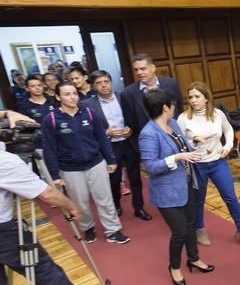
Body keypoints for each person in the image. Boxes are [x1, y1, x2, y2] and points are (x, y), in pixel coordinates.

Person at [0, 142, 102, 285]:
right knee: (42, 269)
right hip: (3, 233)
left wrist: (7, 113)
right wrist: (71, 206)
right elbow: (46, 194)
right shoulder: (5, 161)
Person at [138, 89, 214, 285]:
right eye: (171, 105)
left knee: (191, 225)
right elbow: (151, 166)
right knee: (179, 231)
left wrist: (194, 142)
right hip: (166, 192)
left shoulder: (172, 124)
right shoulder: (148, 134)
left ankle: (194, 258)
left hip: (186, 182)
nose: (174, 108)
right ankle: (174, 267)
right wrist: (177, 158)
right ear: (165, 107)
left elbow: (183, 146)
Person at [42, 82, 130, 245]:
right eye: (67, 94)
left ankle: (113, 230)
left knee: (105, 198)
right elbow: (49, 149)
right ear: (57, 97)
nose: (72, 97)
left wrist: (110, 159)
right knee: (80, 201)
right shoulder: (51, 119)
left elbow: (102, 138)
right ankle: (88, 228)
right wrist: (54, 174)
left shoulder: (88, 113)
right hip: (70, 169)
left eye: (74, 93)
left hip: (96, 163)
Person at [177, 82, 240, 248]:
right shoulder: (183, 118)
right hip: (197, 164)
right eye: (190, 97)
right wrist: (194, 140)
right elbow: (180, 143)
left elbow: (228, 130)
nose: (193, 100)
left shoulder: (218, 114)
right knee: (199, 200)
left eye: (197, 96)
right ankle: (199, 229)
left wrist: (227, 146)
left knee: (230, 197)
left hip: (218, 162)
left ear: (206, 98)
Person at [81, 70, 151, 221]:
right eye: (99, 83)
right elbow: (87, 129)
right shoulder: (88, 105)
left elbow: (135, 118)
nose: (104, 86)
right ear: (93, 86)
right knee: (114, 180)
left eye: (106, 82)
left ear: (111, 82)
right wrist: (106, 132)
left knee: (135, 178)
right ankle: (116, 206)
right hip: (109, 147)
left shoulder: (124, 97)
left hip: (129, 143)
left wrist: (130, 129)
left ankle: (139, 208)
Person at [121, 53, 185, 142]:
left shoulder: (171, 84)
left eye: (143, 69)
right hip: (150, 142)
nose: (139, 73)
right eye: (136, 70)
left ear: (153, 68)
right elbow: (131, 124)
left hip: (174, 136)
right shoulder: (128, 93)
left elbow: (180, 109)